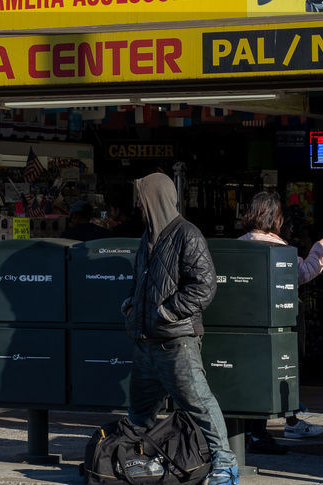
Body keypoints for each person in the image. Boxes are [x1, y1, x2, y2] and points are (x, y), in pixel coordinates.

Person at [122, 173, 237, 485]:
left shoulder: (188, 234)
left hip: (176, 342)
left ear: (155, 198)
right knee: (139, 413)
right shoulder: (147, 237)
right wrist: (131, 306)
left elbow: (204, 286)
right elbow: (140, 281)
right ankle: (132, 460)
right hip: (146, 341)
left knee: (199, 403)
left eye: (141, 198)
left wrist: (167, 312)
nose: (137, 205)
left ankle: (225, 465)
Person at [236, 191, 323, 453]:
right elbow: (303, 273)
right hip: (279, 323)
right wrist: (319, 251)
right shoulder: (281, 250)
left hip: (244, 322)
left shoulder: (238, 245)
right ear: (276, 219)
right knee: (279, 371)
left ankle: (250, 431)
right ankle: (273, 426)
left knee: (249, 374)